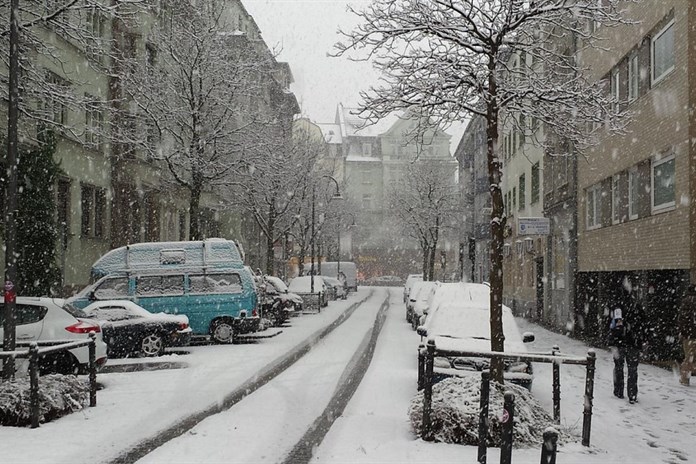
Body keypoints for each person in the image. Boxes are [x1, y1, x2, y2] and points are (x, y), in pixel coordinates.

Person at [607, 303, 644, 404]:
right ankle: (632, 394)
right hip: (633, 343)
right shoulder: (637, 308)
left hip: (620, 343)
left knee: (619, 366)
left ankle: (619, 391)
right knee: (632, 370)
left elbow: (612, 326)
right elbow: (644, 325)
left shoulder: (617, 308)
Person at [678, 285, 696, 386]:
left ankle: (685, 378)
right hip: (691, 333)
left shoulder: (686, 302)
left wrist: (682, 332)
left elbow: (682, 319)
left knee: (689, 357)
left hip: (689, 335)